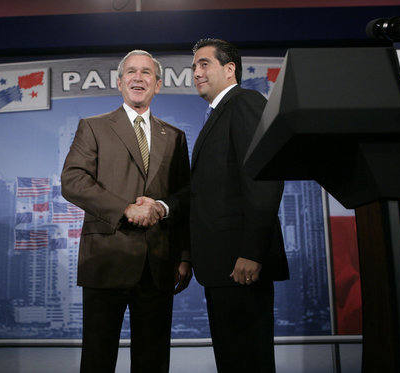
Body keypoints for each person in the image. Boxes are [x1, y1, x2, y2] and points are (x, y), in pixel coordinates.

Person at [61, 50, 192, 373]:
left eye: (146, 73)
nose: (138, 78)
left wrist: (185, 255)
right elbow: (73, 180)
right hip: (106, 259)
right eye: (131, 72)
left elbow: (185, 196)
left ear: (158, 85)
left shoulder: (175, 136)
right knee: (98, 358)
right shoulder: (93, 127)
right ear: (119, 83)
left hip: (159, 264)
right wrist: (125, 210)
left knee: (153, 359)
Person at [190, 38, 289, 372]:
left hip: (241, 264)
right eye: (194, 67)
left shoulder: (245, 102)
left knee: (250, 360)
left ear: (229, 68)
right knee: (233, 361)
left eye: (204, 64)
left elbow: (263, 179)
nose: (196, 72)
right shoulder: (218, 114)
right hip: (221, 267)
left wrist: (252, 251)